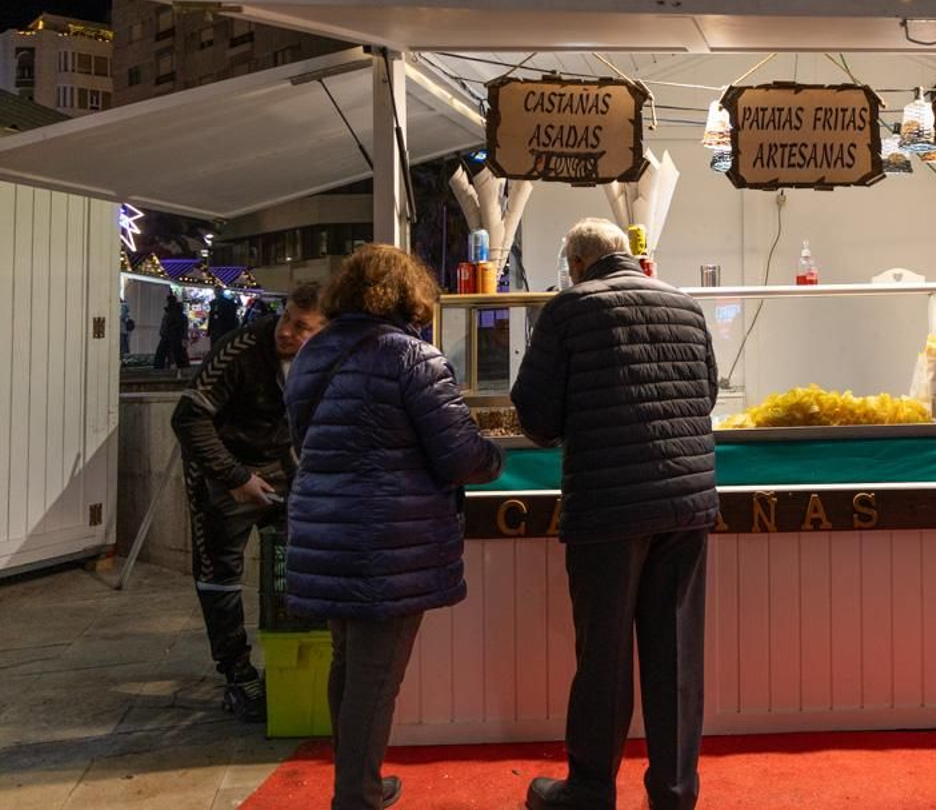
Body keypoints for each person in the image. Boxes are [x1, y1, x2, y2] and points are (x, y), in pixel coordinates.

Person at [285, 245, 504, 810]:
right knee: (376, 677)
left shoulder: (312, 353)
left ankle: (360, 781)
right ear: (409, 294)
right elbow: (460, 456)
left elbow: (304, 440)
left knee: (349, 662)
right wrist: (495, 456)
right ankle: (355, 796)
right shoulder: (410, 356)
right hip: (387, 539)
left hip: (325, 527)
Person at [512, 218, 719, 810]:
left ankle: (590, 790)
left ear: (576, 265)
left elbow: (538, 416)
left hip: (607, 506)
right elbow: (704, 397)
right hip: (686, 504)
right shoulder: (684, 305)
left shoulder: (568, 310)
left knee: (602, 656)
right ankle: (676, 793)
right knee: (675, 654)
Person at [171, 283, 326, 721]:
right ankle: (238, 674)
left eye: (301, 327)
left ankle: (295, 654)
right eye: (285, 318)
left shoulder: (326, 355)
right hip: (221, 469)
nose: (286, 332)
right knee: (219, 573)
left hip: (280, 463)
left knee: (298, 559)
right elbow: (187, 418)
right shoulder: (239, 349)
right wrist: (235, 478)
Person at [154, 292, 190, 369]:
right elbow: (183, 326)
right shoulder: (178, 314)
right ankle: (182, 366)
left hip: (170, 336)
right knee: (179, 354)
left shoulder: (170, 313)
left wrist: (163, 332)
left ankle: (160, 367)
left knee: (163, 353)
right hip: (174, 336)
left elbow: (167, 324)